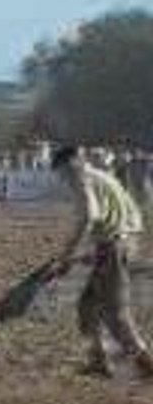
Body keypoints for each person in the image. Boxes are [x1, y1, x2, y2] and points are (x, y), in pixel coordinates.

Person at [52, 145, 153, 378]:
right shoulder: (102, 175)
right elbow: (126, 217)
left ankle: (146, 364)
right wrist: (106, 247)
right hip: (122, 242)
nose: (64, 179)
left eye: (62, 173)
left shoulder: (82, 179)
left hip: (115, 245)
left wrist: (67, 255)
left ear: (70, 164)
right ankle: (98, 360)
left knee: (114, 312)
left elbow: (88, 217)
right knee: (87, 305)